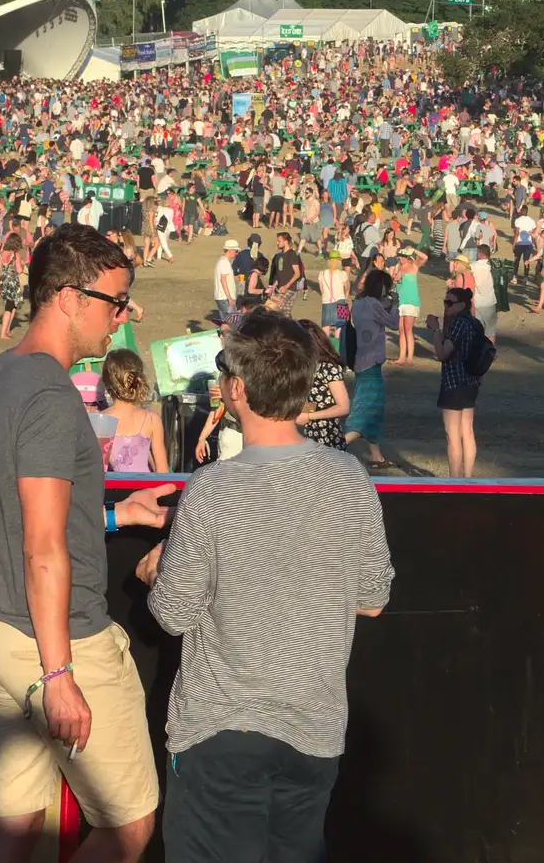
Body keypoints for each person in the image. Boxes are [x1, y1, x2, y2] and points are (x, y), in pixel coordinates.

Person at [139, 312, 392, 863]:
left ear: (235, 389)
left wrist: (160, 569)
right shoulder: (351, 478)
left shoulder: (213, 489)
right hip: (314, 733)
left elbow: (175, 613)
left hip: (221, 730)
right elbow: (372, 598)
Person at [0, 225, 177, 863]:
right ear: (67, 297)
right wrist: (59, 674)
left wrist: (114, 516)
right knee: (129, 825)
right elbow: (43, 547)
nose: (122, 318)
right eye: (115, 301)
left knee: (12, 827)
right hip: (56, 644)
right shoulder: (53, 397)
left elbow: (20, 514)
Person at [424, 286, 484, 477]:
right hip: (471, 382)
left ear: (462, 305)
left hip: (453, 382)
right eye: (445, 301)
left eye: (450, 302)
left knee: (452, 436)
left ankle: (455, 481)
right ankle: (467, 479)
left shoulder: (458, 324)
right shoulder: (475, 323)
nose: (446, 305)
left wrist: (435, 331)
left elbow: (442, 354)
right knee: (467, 432)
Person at [344, 268, 398, 470]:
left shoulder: (358, 302)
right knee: (366, 409)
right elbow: (393, 323)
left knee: (373, 410)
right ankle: (336, 446)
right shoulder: (374, 304)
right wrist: (395, 303)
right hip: (371, 364)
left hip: (361, 361)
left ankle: (377, 457)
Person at [99, 348, 169, 474]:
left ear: (107, 382)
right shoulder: (152, 419)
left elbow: (99, 472)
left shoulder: (101, 420)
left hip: (114, 491)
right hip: (146, 490)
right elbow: (163, 472)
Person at [295, 319, 351, 449]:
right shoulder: (309, 367)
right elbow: (318, 402)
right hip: (311, 435)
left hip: (329, 437)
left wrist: (308, 416)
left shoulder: (328, 368)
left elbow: (343, 406)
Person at [0, 234, 27, 339]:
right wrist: (21, 263)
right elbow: (19, 270)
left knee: (12, 306)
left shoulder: (1, 254)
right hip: (12, 282)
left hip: (3, 281)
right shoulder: (15, 254)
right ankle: (3, 333)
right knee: (9, 307)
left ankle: (7, 329)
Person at [213, 238, 240, 321]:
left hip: (221, 297)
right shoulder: (224, 262)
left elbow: (225, 278)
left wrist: (237, 278)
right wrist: (230, 298)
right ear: (230, 250)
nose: (236, 254)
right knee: (230, 321)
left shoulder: (221, 260)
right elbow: (223, 280)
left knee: (224, 321)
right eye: (236, 251)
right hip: (224, 297)